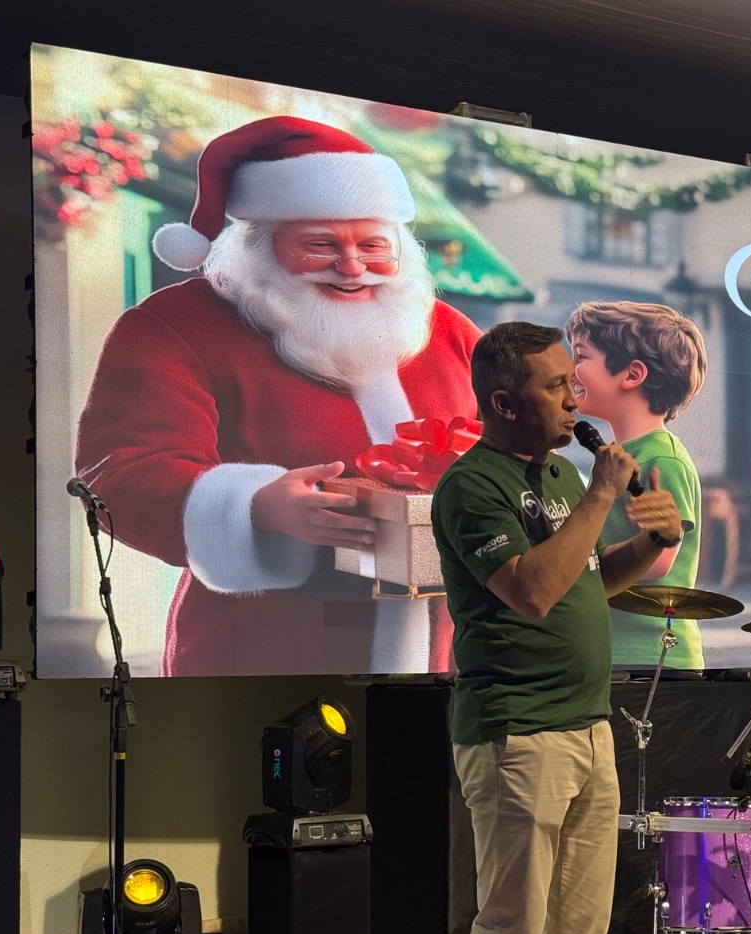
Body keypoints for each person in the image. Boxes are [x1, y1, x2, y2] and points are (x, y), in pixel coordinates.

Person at [75, 116, 479, 676]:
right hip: (266, 652)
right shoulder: (173, 325)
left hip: (452, 655)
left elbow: (519, 445)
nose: (354, 266)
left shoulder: (450, 332)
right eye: (320, 245)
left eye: (374, 245)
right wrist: (258, 505)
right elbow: (119, 471)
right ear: (260, 245)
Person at [432, 322, 679, 934]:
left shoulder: (558, 473)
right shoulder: (471, 486)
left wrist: (651, 547)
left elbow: (580, 575)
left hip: (586, 728)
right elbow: (532, 592)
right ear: (504, 402)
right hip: (515, 734)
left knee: (577, 931)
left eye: (573, 385)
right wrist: (604, 499)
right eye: (554, 387)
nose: (576, 401)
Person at [565, 301, 707, 669]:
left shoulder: (662, 459)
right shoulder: (620, 455)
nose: (570, 369)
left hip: (650, 655)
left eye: (581, 356)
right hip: (611, 648)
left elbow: (659, 559)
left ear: (632, 375)